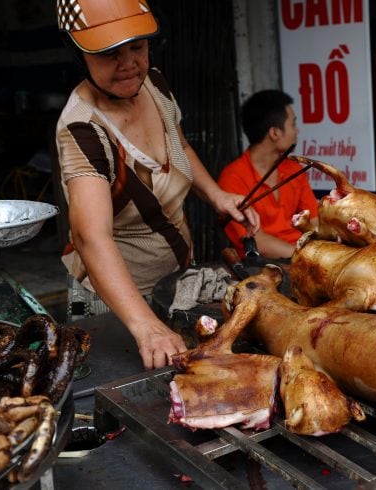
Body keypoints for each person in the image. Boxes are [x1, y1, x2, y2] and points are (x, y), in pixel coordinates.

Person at [55, 0, 259, 370]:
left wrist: (217, 195)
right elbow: (90, 237)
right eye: (110, 53)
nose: (129, 63)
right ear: (78, 53)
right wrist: (145, 325)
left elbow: (178, 146)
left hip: (176, 278)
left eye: (137, 47)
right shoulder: (82, 129)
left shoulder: (153, 83)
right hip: (118, 304)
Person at [218, 90, 319, 259]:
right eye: (293, 125)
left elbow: (314, 223)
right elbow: (258, 241)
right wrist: (307, 258)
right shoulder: (233, 177)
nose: (297, 131)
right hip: (260, 265)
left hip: (302, 257)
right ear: (275, 133)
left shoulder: (293, 168)